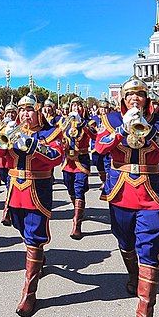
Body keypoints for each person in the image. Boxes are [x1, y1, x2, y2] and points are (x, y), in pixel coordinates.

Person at [94, 76, 159, 317]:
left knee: (149, 246)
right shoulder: (110, 120)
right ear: (123, 100)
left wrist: (151, 131)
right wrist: (122, 128)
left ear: (147, 99)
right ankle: (133, 274)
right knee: (124, 240)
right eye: (130, 95)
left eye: (139, 95)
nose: (135, 99)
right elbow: (100, 147)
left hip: (150, 191)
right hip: (120, 189)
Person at [0, 92, 63, 317]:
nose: (24, 114)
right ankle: (39, 256)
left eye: (28, 109)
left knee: (33, 237)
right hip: (15, 189)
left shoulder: (51, 131)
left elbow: (56, 156)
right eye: (21, 110)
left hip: (37, 189)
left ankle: (29, 294)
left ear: (38, 110)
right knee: (22, 230)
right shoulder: (13, 129)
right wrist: (3, 139)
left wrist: (33, 145)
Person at [61, 96, 95, 240]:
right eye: (73, 105)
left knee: (79, 188)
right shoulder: (63, 123)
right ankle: (77, 208)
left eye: (78, 105)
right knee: (69, 187)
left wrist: (83, 125)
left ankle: (77, 224)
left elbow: (95, 135)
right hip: (67, 161)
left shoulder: (89, 122)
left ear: (83, 108)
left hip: (82, 160)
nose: (75, 108)